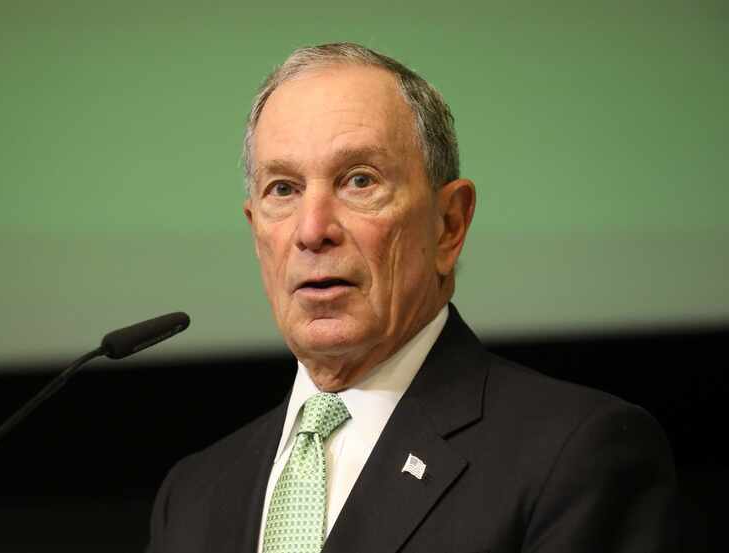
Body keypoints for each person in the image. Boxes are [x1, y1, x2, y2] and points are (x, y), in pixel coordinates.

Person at [147, 43, 677, 553]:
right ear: (256, 231)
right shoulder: (194, 494)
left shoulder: (573, 455)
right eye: (283, 189)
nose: (312, 230)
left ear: (449, 225)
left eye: (359, 180)